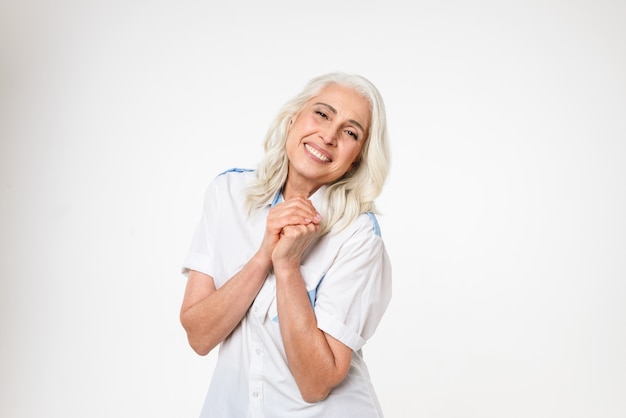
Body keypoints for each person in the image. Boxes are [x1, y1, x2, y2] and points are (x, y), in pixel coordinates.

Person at [179, 72, 392, 417]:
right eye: (322, 113)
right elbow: (199, 336)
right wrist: (265, 254)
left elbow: (315, 382)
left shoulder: (359, 238)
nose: (328, 135)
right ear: (294, 118)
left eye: (350, 132)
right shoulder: (228, 195)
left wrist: (288, 266)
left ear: (358, 157)